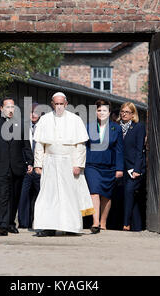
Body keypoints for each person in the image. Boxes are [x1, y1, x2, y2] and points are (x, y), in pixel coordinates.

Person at [33, 92, 94, 237]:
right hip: (50, 162)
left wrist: (78, 164)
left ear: (66, 104)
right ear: (52, 104)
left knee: (70, 196)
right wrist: (38, 164)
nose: (59, 106)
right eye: (56, 104)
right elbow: (40, 144)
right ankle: (48, 227)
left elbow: (80, 145)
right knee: (49, 195)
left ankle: (71, 227)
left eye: (62, 104)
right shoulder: (45, 119)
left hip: (69, 161)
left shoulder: (75, 120)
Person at [0, 97, 33, 236]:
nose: (10, 110)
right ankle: (2, 224)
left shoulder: (20, 126)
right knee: (2, 197)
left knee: (14, 197)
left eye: (12, 107)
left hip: (17, 167)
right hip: (0, 168)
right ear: (1, 109)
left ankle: (11, 223)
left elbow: (26, 147)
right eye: (7, 107)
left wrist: (30, 162)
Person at [85, 100, 124, 234]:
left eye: (104, 110)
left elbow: (119, 150)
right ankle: (95, 222)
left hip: (109, 166)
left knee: (106, 195)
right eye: (99, 110)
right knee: (94, 192)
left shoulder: (116, 128)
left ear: (109, 112)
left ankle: (103, 222)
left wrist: (119, 168)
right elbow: (83, 147)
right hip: (92, 165)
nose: (101, 113)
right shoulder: (88, 127)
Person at [119, 102, 146, 232]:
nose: (124, 114)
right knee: (130, 197)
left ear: (133, 114)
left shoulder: (138, 127)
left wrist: (137, 169)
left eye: (127, 112)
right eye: (122, 111)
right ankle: (137, 226)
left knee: (129, 192)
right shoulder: (117, 127)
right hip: (121, 167)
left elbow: (139, 149)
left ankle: (126, 224)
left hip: (134, 167)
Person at [17, 103, 41, 229]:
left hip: (40, 168)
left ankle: (39, 223)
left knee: (40, 196)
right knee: (23, 196)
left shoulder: (44, 127)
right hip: (25, 167)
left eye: (36, 112)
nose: (33, 114)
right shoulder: (21, 127)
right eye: (31, 112)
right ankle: (23, 223)